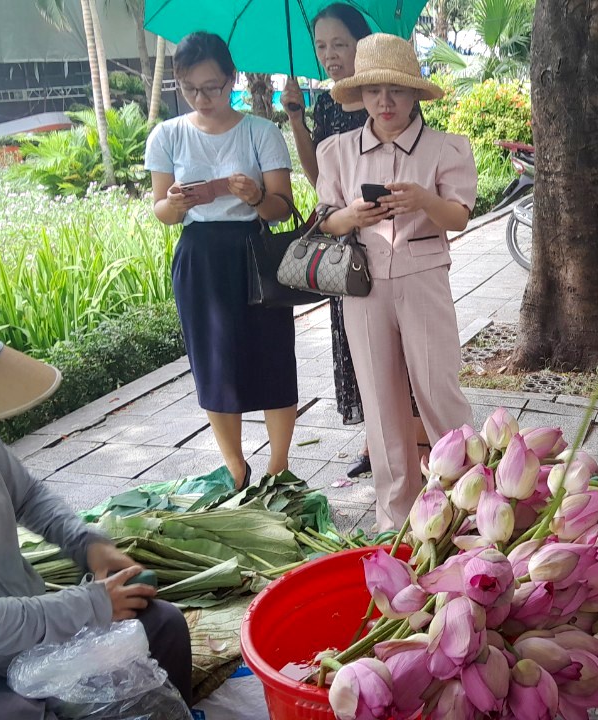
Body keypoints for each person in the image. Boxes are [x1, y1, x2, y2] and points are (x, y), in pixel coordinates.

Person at [0, 296, 193, 718]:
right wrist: (86, 606)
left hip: (29, 625)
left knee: (163, 627)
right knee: (19, 714)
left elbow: (28, 496)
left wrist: (86, 543)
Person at [314, 34, 475, 531]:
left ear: (415, 96)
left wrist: (423, 200)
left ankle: (470, 500)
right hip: (363, 285)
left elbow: (459, 218)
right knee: (380, 400)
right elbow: (324, 222)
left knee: (438, 389)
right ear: (358, 95)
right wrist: (352, 215)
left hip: (423, 276)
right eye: (374, 91)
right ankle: (395, 515)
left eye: (397, 91)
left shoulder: (447, 147)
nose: (385, 102)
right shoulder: (336, 151)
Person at [145, 32, 298, 490]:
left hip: (255, 251)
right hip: (200, 257)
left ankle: (278, 464)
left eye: (212, 86)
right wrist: (176, 204)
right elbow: (161, 211)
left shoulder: (260, 131)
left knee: (273, 355)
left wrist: (255, 197)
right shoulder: (167, 135)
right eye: (191, 88)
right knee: (214, 361)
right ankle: (234, 466)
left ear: (231, 78)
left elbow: (283, 208)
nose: (202, 97)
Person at [282, 3, 395, 480]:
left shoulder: (390, 96)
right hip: (343, 247)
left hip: (390, 239)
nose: (329, 54)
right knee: (356, 345)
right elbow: (317, 180)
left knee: (397, 343)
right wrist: (296, 120)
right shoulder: (326, 103)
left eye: (340, 44)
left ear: (360, 44)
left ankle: (409, 436)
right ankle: (376, 441)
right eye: (321, 45)